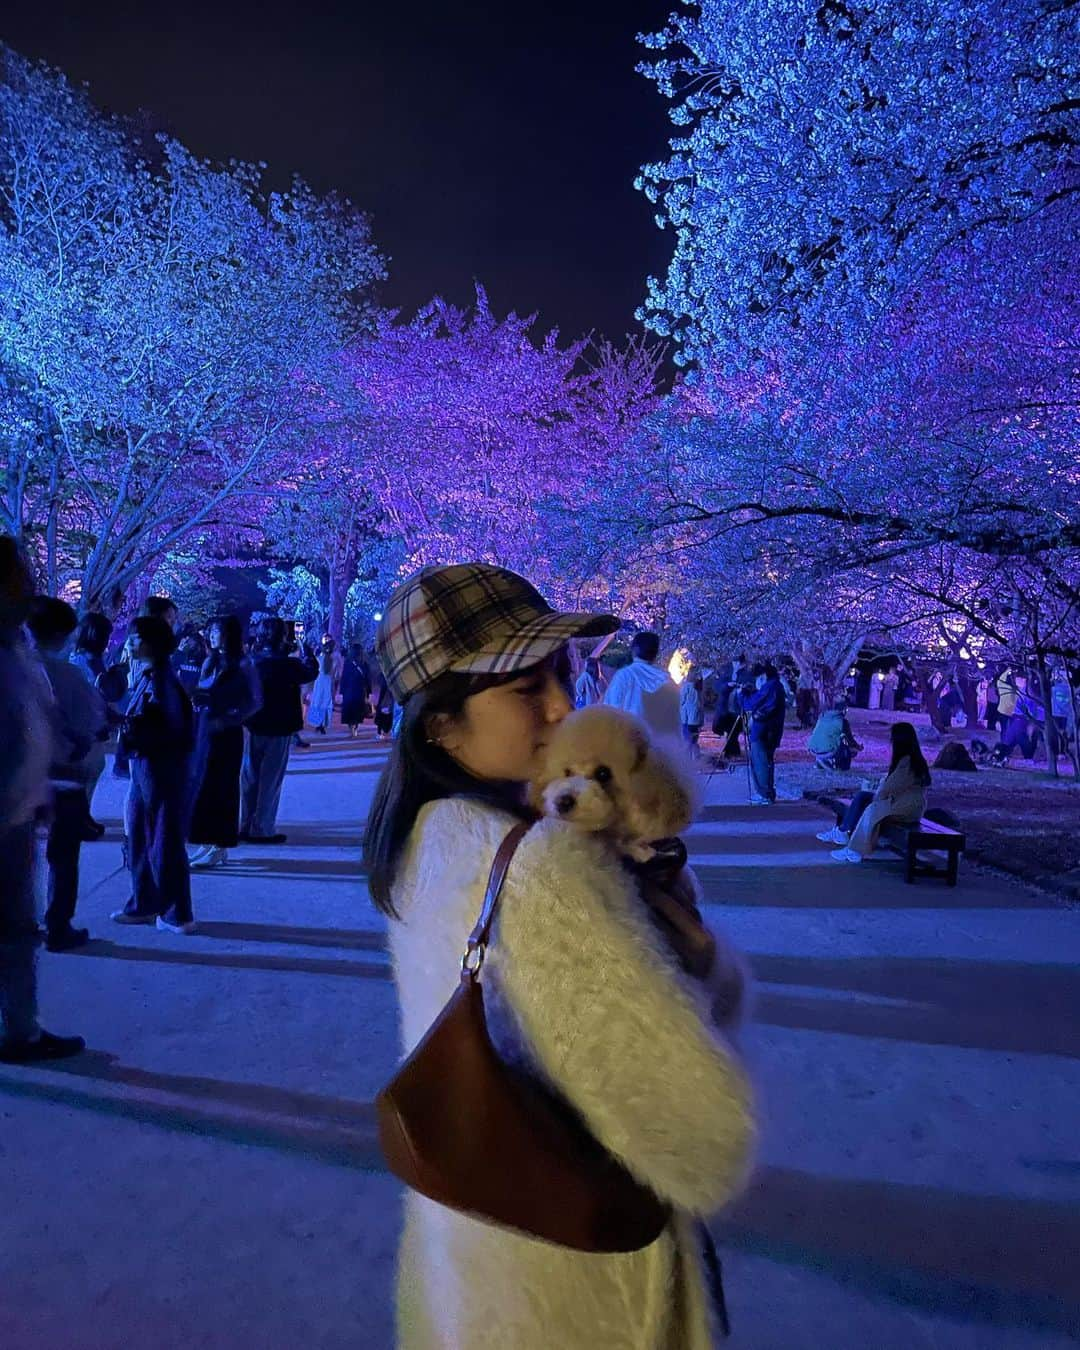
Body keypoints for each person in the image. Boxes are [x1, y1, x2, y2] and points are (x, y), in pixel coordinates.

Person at [363, 561, 754, 1349]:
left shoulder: (420, 840)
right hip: (583, 1289)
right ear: (440, 724)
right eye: (523, 688)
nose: (562, 705)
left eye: (560, 674)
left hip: (474, 1261)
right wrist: (698, 957)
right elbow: (701, 1136)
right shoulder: (546, 865)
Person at [0, 537, 85, 1063]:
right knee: (13, 929)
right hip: (4, 817)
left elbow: (29, 727)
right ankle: (21, 1032)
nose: (29, 585)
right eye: (19, 575)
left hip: (18, 812)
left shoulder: (17, 647)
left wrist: (39, 786)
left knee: (17, 930)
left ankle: (22, 1028)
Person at [26, 598, 109, 951]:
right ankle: (58, 926)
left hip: (16, 779)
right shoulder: (70, 676)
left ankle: (21, 923)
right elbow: (92, 723)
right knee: (62, 857)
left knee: (20, 857)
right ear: (64, 635)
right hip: (63, 776)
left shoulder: (13, 671)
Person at [110, 615, 196, 934]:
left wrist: (131, 727)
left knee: (163, 838)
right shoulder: (149, 675)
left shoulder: (162, 680)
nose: (130, 643)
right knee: (140, 836)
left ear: (152, 644)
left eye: (136, 638)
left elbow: (172, 729)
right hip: (144, 767)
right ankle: (144, 902)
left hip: (159, 768)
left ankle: (177, 912)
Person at [187, 615, 261, 868]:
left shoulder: (243, 664)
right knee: (203, 786)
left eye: (216, 630)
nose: (211, 634)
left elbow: (254, 701)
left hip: (226, 732)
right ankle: (207, 841)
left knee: (222, 788)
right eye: (210, 630)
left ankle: (220, 844)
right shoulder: (210, 660)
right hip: (204, 730)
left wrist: (232, 717)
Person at [241, 618, 318, 843]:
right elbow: (310, 671)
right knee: (270, 779)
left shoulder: (253, 661)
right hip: (280, 726)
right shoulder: (289, 665)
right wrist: (307, 650)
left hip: (254, 724)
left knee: (249, 777)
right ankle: (262, 828)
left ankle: (245, 823)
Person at [817, 722, 931, 863]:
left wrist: (878, 796)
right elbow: (892, 785)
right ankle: (844, 832)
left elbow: (889, 787)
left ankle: (855, 850)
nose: (891, 742)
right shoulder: (909, 760)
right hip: (902, 802)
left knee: (872, 810)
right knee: (864, 797)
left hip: (906, 807)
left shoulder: (908, 762)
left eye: (892, 739)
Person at [68, 611, 117, 835]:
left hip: (91, 723)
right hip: (86, 724)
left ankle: (83, 815)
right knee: (89, 769)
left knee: (93, 768)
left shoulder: (90, 659)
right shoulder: (84, 661)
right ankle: (79, 817)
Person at [602, 631, 681, 742]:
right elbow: (675, 721)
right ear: (656, 653)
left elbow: (610, 711)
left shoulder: (625, 676)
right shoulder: (668, 680)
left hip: (631, 746)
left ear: (634, 650)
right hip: (661, 749)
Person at [736, 662, 786, 805]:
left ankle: (764, 794)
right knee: (766, 762)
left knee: (760, 763)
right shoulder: (776, 687)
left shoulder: (770, 687)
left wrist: (742, 695)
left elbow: (750, 704)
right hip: (771, 732)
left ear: (763, 676)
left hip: (762, 731)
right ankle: (767, 793)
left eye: (758, 678)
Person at [806, 702, 862, 770]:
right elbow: (850, 740)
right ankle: (840, 767)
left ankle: (821, 760)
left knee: (833, 739)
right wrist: (858, 747)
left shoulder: (822, 717)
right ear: (843, 710)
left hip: (813, 749)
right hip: (827, 750)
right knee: (847, 747)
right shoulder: (842, 721)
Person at [340, 642, 372, 736]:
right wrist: (369, 692)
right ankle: (355, 726)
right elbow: (368, 679)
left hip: (349, 691)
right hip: (360, 691)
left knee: (349, 710)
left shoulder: (348, 663)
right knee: (357, 710)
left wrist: (342, 691)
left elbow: (344, 678)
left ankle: (351, 726)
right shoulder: (364, 664)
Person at [307, 637, 337, 734]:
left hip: (319, 683)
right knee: (326, 702)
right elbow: (336, 675)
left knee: (317, 701)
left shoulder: (319, 659)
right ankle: (324, 724)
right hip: (328, 684)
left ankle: (317, 724)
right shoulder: (334, 661)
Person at [679, 673, 705, 757]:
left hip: (687, 718)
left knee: (687, 739)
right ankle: (696, 756)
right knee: (694, 739)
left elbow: (681, 700)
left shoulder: (687, 687)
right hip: (697, 719)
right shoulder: (699, 687)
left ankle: (687, 758)